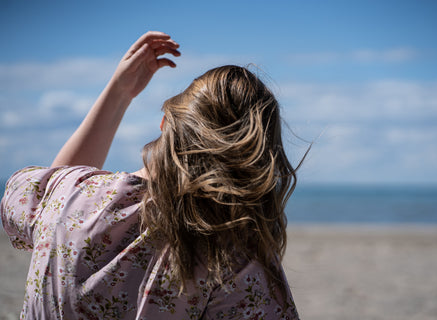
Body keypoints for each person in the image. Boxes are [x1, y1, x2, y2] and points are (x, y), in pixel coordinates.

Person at [1, 31, 300, 319]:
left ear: (165, 123)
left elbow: (42, 192)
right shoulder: (235, 258)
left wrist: (119, 92)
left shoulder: (69, 194)